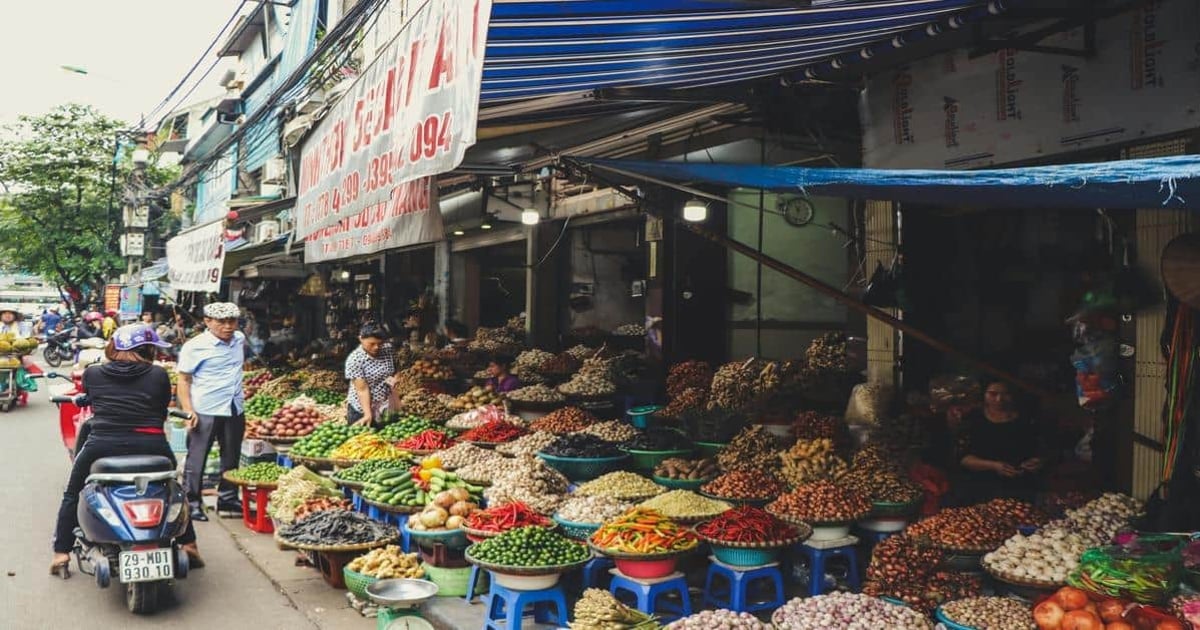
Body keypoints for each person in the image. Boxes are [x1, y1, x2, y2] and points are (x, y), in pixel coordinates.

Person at [49, 324, 202, 576]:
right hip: (153, 445)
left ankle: (61, 553)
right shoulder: (158, 375)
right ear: (148, 349)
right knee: (175, 488)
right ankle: (190, 544)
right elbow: (162, 405)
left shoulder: (93, 374)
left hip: (103, 445)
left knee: (73, 492)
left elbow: (91, 398)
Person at [178, 303, 246, 521]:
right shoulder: (194, 347)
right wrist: (188, 410)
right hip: (205, 408)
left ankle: (228, 498)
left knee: (231, 457)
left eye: (232, 321)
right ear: (207, 321)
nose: (228, 326)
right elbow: (184, 379)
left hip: (234, 408)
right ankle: (192, 503)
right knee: (197, 458)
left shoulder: (239, 340)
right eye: (221, 322)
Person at [952, 381, 1049, 505]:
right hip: (981, 486)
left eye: (1006, 394)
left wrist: (1037, 461)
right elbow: (962, 458)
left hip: (1021, 486)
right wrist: (994, 465)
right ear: (984, 395)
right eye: (993, 394)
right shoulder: (972, 419)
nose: (999, 399)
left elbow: (1040, 450)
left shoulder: (1027, 418)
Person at [344, 323, 396, 427]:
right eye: (371, 343)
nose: (376, 347)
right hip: (361, 410)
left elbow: (394, 369)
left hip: (383, 408)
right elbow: (362, 390)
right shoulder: (355, 360)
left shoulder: (388, 349)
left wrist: (393, 381)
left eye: (380, 343)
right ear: (361, 339)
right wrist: (367, 414)